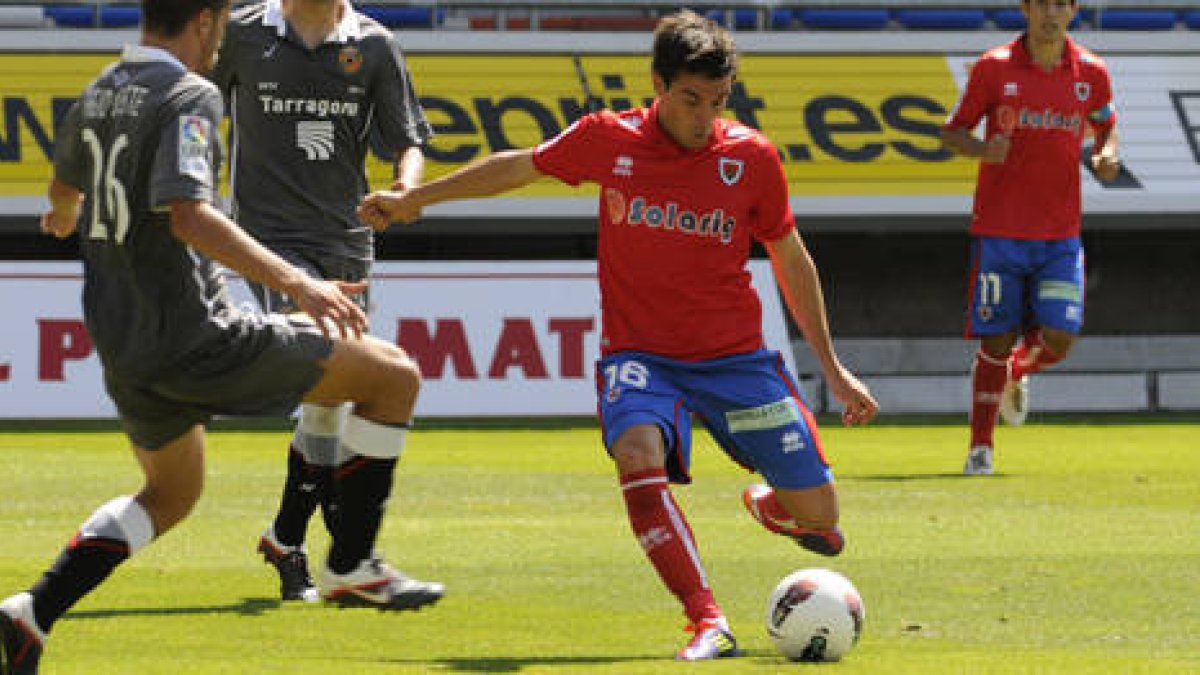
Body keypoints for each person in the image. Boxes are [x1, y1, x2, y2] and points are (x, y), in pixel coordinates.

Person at [358, 10, 879, 661]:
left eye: (717, 102)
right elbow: (519, 166)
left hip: (736, 359)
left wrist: (833, 367)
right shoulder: (610, 138)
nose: (702, 116)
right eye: (690, 99)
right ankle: (707, 619)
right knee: (636, 452)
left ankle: (773, 504)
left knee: (823, 518)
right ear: (658, 85)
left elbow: (790, 257)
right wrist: (417, 200)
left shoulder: (751, 156)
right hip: (642, 358)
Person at [0, 1, 440, 672]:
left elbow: (62, 192)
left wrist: (66, 217)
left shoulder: (100, 91)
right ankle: (350, 561)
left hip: (122, 341)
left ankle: (31, 611)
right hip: (196, 333)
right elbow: (190, 215)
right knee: (393, 376)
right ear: (205, 21)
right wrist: (298, 283)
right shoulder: (190, 92)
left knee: (170, 494)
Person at [208, 0, 434, 603]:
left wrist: (405, 189)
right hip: (270, 244)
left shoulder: (376, 45)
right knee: (326, 362)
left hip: (348, 242)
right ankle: (348, 552)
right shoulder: (242, 34)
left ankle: (287, 538)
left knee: (331, 398)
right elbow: (193, 108)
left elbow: (407, 139)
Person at [942, 0, 1120, 476]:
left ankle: (1014, 376)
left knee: (1060, 336)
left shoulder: (1092, 72)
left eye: (1061, 4)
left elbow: (1105, 124)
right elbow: (953, 132)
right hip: (999, 231)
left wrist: (1106, 154)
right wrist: (982, 148)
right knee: (996, 339)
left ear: (1073, 11)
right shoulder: (994, 67)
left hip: (1060, 234)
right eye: (1042, 3)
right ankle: (981, 448)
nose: (1051, 13)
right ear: (1025, 8)